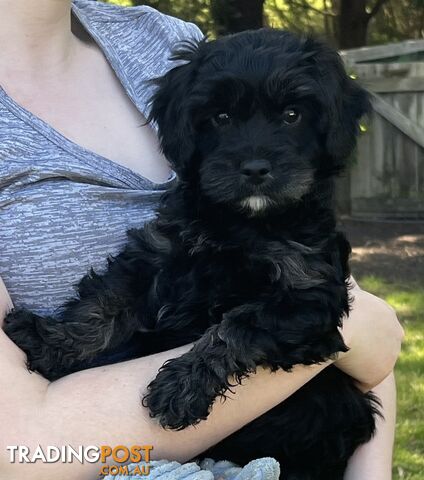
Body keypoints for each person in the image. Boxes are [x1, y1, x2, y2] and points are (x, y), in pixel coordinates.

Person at [0, 1, 403, 480]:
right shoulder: (188, 186)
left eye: (291, 115)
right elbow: (20, 455)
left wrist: (212, 364)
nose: (255, 158)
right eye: (224, 120)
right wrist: (71, 340)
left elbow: (365, 342)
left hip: (295, 454)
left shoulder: (164, 40)